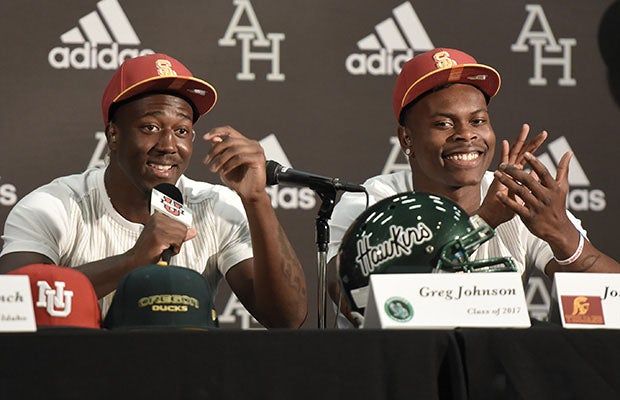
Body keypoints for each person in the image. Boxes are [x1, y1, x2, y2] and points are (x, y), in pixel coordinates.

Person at [0, 53, 307, 329]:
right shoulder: (53, 206)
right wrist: (133, 260)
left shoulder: (215, 207)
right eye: (150, 127)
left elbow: (286, 319)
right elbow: (12, 306)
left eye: (182, 131)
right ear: (113, 135)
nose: (168, 145)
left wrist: (256, 199)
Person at [327, 47, 620, 328]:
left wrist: (561, 233)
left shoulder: (516, 196)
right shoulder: (370, 203)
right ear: (406, 138)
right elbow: (349, 296)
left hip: (490, 372)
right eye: (443, 124)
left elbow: (611, 301)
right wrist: (484, 221)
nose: (466, 134)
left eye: (478, 120)